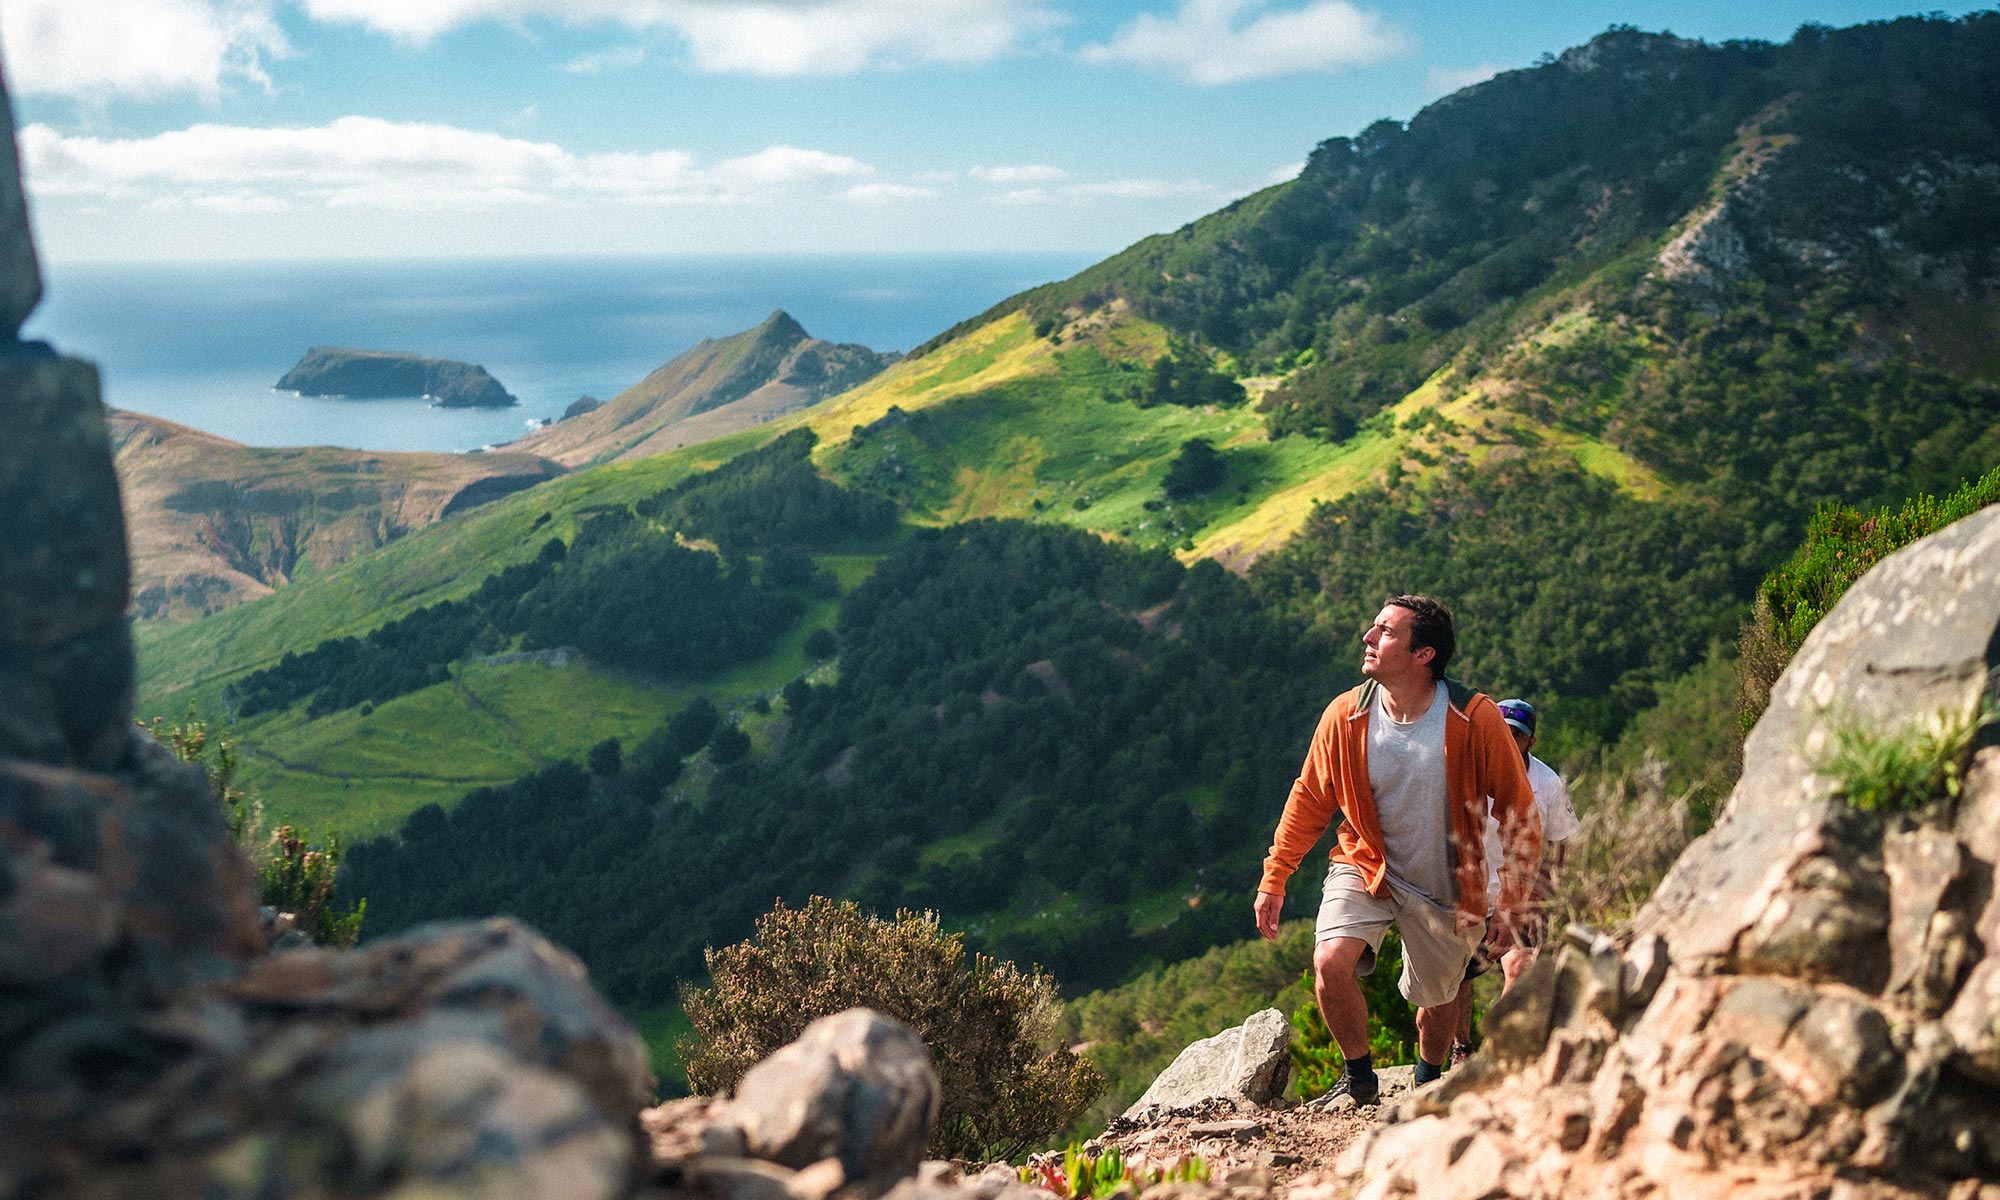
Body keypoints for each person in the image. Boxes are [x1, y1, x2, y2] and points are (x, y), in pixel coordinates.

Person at [1253, 595, 1542, 1108]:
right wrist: (1275, 875)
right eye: (1374, 627)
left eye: (1384, 631)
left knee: (1438, 1003)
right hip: (1367, 867)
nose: (1368, 637)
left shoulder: (1473, 718)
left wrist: (1514, 899)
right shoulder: (1345, 715)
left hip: (1448, 886)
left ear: (1423, 654)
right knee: (1329, 962)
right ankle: (1359, 1076)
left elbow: (1519, 812)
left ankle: (1428, 1080)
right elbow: (1311, 797)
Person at [1445, 698, 1582, 1064]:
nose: (1507, 739)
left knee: (1519, 967)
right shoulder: (1466, 770)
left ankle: (1498, 1048)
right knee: (1460, 978)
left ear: (1530, 742)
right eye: (1501, 732)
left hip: (1521, 893)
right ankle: (1461, 1049)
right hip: (1470, 889)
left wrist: (1543, 892)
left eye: (1516, 735)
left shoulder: (1547, 783)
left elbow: (1561, 840)